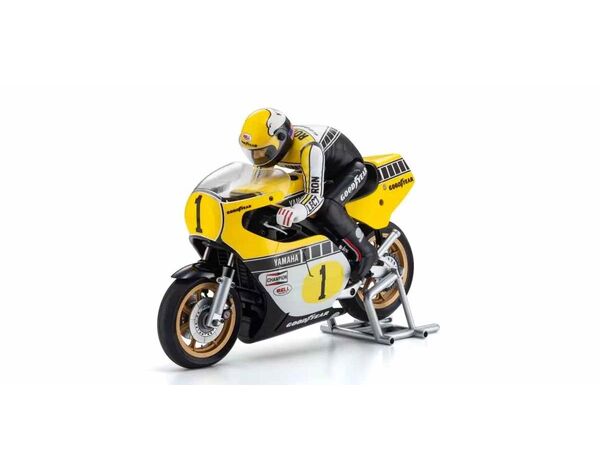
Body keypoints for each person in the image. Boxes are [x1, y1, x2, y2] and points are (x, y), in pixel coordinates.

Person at [239, 108, 378, 283]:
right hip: (319, 171)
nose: (257, 156)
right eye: (252, 152)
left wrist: (296, 211)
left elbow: (315, 197)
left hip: (351, 170)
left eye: (263, 151)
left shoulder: (309, 149)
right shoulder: (270, 146)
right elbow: (260, 181)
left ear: (281, 138)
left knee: (328, 207)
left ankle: (366, 253)